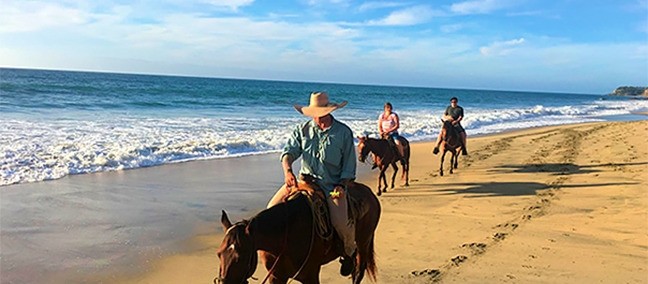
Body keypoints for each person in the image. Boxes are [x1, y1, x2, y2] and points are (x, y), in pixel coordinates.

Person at [267, 91, 358, 276]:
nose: (317, 116)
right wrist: (288, 171)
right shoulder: (303, 130)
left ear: (328, 110)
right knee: (271, 209)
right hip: (302, 182)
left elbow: (349, 164)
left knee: (341, 222)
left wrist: (342, 184)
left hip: (331, 187)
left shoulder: (343, 132)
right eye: (314, 112)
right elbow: (289, 152)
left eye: (320, 111)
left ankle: (350, 252)